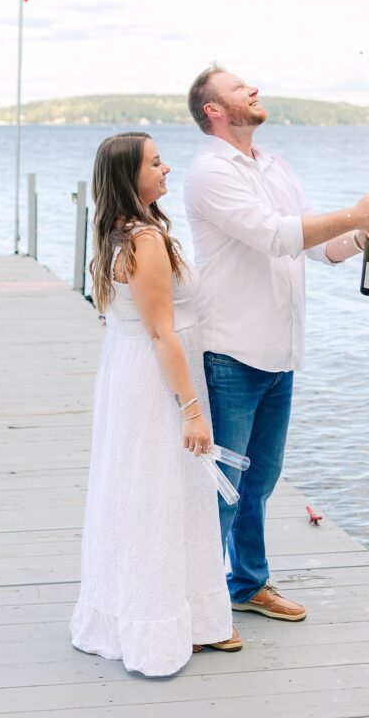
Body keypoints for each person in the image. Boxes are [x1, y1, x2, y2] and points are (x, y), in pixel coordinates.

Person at [184, 66, 369, 622]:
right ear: (214, 109)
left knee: (259, 481)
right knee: (222, 486)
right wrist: (353, 213)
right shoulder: (210, 171)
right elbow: (276, 235)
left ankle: (247, 583)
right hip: (230, 349)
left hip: (280, 350)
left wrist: (361, 235)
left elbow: (316, 248)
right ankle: (195, 600)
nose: (253, 89)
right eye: (239, 88)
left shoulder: (274, 166)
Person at [70, 131, 239, 677]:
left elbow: (118, 315)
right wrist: (192, 408)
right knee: (160, 494)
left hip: (127, 372)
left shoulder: (119, 233)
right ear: (130, 176)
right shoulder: (145, 239)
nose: (167, 169)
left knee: (139, 492)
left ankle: (150, 611)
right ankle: (158, 620)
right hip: (155, 380)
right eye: (156, 162)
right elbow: (163, 333)